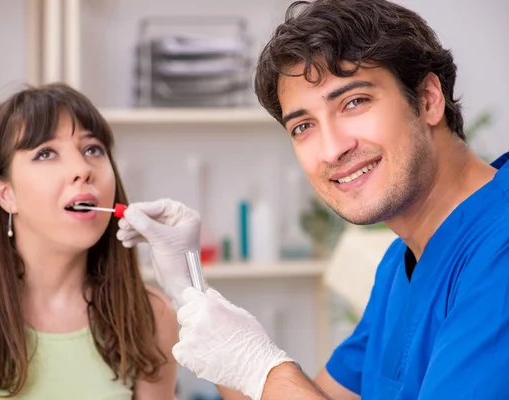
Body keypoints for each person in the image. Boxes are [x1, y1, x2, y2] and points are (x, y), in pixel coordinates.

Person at [115, 0, 509, 399]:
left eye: (354, 102)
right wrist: (188, 289)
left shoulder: (500, 253)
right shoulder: (400, 265)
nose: (332, 149)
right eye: (303, 126)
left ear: (427, 98)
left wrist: (261, 367)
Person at [0, 83, 182, 399]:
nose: (82, 170)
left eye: (93, 149)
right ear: (5, 193)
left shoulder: (151, 316)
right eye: (45, 153)